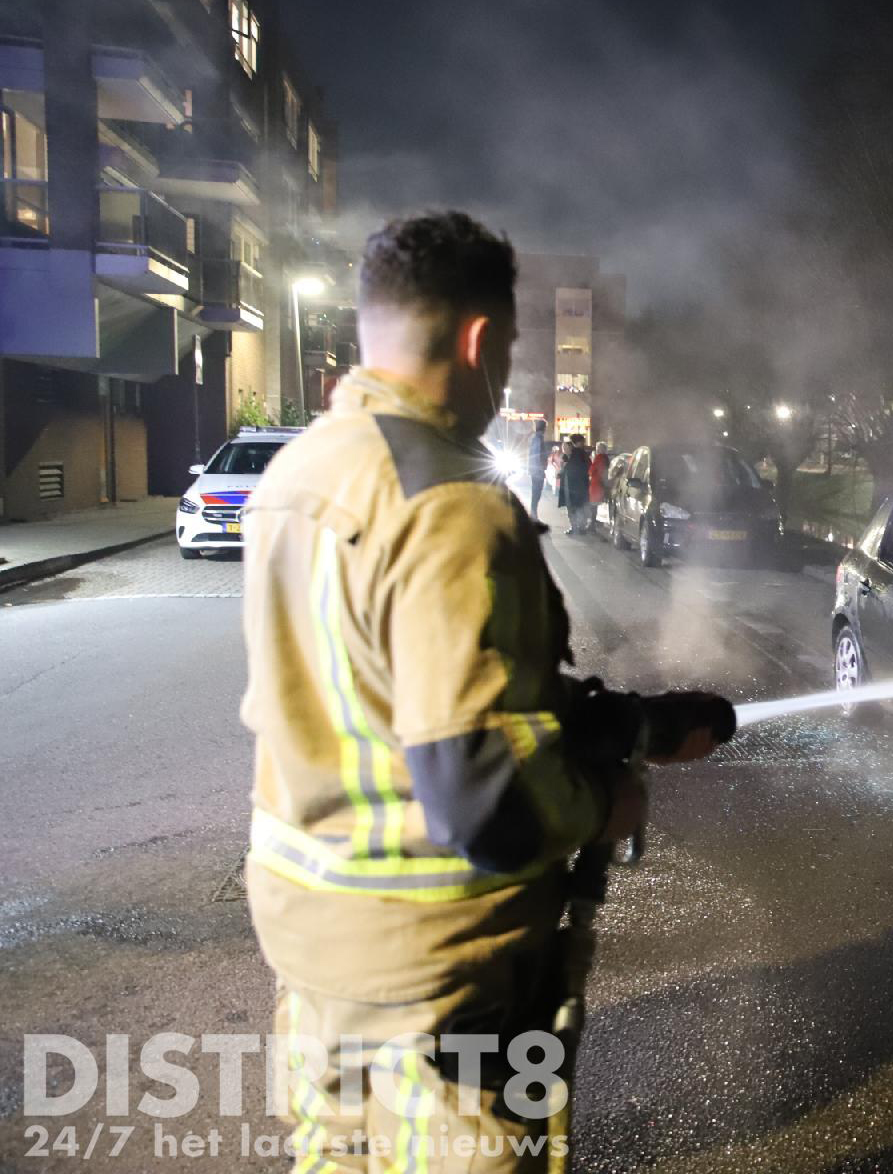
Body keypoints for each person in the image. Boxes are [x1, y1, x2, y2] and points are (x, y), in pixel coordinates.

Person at [239, 210, 732, 1172]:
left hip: (315, 941)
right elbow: (487, 809)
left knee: (337, 1159)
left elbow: (381, 689)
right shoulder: (453, 510)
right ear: (478, 340)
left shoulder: (299, 473)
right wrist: (607, 802)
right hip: (438, 968)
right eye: (504, 350)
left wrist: (624, 723)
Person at [563, 434, 592, 536]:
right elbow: (588, 467)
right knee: (581, 507)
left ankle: (575, 528)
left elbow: (568, 469)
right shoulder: (582, 454)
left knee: (573, 507)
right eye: (582, 441)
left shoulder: (574, 454)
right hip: (582, 485)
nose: (584, 443)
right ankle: (580, 528)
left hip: (573, 485)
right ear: (579, 442)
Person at [525, 423, 548, 516]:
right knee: (536, 492)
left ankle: (533, 513)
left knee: (536, 492)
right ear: (543, 428)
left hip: (535, 470)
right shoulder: (538, 439)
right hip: (537, 471)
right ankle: (533, 513)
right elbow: (537, 455)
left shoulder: (536, 438)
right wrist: (540, 470)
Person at [588, 442, 610, 526]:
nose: (597, 449)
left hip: (596, 484)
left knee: (593, 504)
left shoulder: (599, 457)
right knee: (595, 504)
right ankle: (594, 521)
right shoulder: (606, 458)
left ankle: (592, 523)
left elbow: (592, 470)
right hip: (600, 484)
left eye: (599, 448)